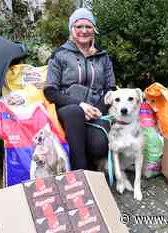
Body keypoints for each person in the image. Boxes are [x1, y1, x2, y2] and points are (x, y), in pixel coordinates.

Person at [44, 8, 116, 170]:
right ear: (72, 29)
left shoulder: (103, 57)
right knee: (74, 112)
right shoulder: (60, 54)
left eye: (88, 26)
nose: (84, 31)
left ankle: (89, 167)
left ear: (94, 30)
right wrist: (80, 105)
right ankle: (79, 174)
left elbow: (110, 89)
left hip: (96, 110)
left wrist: (98, 109)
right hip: (68, 110)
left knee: (99, 147)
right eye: (79, 26)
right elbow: (50, 91)